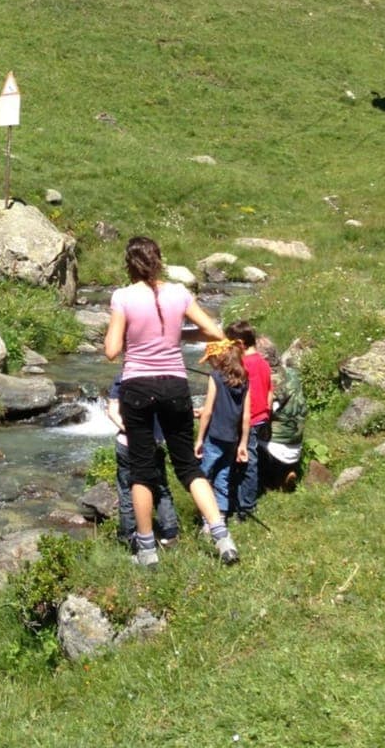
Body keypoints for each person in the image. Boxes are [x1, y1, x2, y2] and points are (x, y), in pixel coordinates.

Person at [104, 235, 240, 567]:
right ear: (159, 260)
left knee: (141, 470)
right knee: (188, 466)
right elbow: (215, 333)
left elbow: (111, 351)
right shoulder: (179, 293)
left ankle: (147, 549)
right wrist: (178, 334)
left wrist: (131, 335)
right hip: (175, 385)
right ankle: (222, 537)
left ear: (129, 264)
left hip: (137, 387)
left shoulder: (123, 297)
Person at [107, 373, 179, 551]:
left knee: (127, 490)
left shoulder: (123, 377)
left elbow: (112, 412)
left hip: (126, 443)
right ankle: (170, 533)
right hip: (154, 443)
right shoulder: (163, 379)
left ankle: (129, 536)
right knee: (160, 487)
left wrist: (130, 430)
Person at [193, 339, 251, 523]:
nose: (209, 363)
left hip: (214, 436)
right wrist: (243, 443)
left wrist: (199, 439)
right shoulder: (244, 379)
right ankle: (222, 514)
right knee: (223, 476)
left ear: (218, 358)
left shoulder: (216, 377)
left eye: (210, 359)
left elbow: (209, 411)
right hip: (232, 438)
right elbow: (246, 415)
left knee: (202, 476)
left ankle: (207, 518)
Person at [224, 320, 273, 519]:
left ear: (240, 344)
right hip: (262, 417)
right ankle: (243, 498)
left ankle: (246, 506)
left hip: (249, 420)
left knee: (246, 462)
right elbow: (270, 391)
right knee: (250, 458)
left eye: (230, 345)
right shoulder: (263, 362)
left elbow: (242, 395)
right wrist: (267, 413)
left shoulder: (244, 365)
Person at [257, 338, 307, 490]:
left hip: (275, 445)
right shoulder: (292, 373)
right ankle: (288, 471)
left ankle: (273, 479)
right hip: (296, 440)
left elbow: (263, 411)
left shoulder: (269, 379)